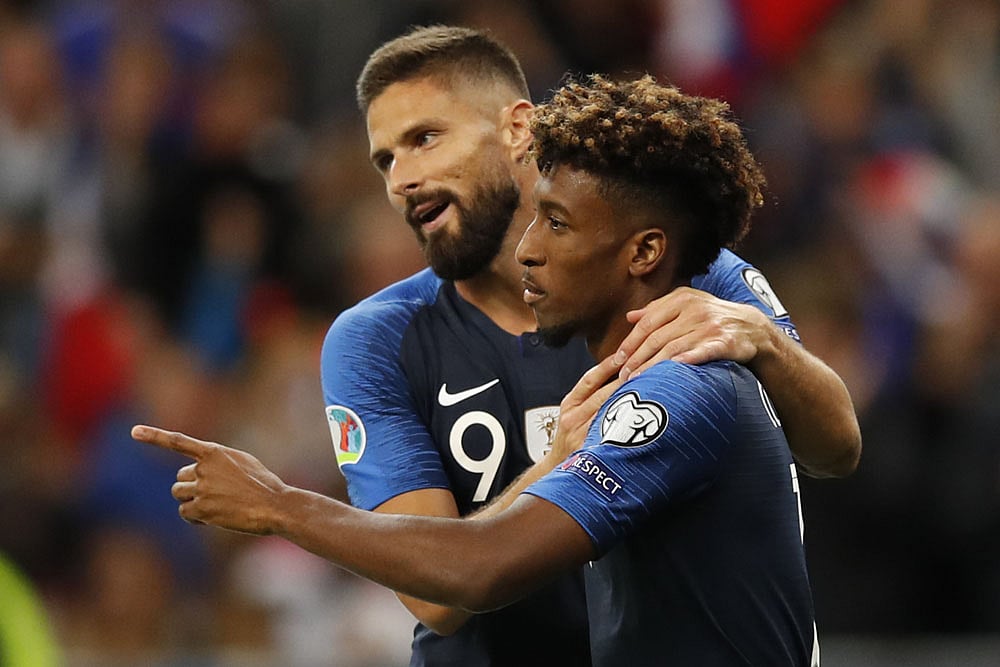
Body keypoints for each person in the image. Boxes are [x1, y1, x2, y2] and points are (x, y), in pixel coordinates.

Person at [134, 72, 820, 665]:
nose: (526, 250)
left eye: (557, 224)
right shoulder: (653, 375)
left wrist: (278, 505)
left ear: (643, 253)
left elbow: (477, 568)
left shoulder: (680, 391)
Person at [322, 24, 855, 665]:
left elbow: (837, 445)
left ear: (518, 128)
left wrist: (764, 339)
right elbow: (436, 598)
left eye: (424, 139)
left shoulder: (684, 271)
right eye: (385, 160)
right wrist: (555, 463)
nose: (401, 179)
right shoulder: (374, 338)